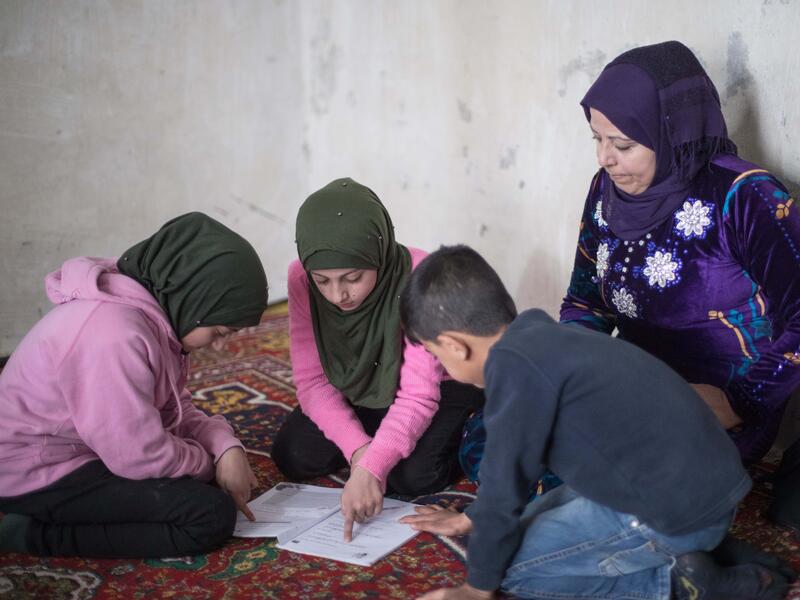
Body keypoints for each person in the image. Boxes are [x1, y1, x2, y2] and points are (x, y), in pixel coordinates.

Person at [398, 244, 793, 600]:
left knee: (511, 570)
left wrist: (476, 588)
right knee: (518, 525)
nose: (441, 363)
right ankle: (718, 551)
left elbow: (504, 486)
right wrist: (472, 518)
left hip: (675, 512)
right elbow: (510, 490)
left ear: (453, 345)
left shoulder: (514, 375)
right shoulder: (541, 337)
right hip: (709, 488)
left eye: (436, 354)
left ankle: (683, 584)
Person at [559, 40, 800, 529]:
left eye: (623, 144)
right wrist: (567, 376)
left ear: (672, 131)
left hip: (721, 401)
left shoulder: (743, 195)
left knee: (627, 487)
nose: (606, 158)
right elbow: (585, 301)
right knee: (516, 439)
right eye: (597, 140)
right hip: (631, 388)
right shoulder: (604, 192)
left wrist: (740, 401)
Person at [0, 212, 268, 558]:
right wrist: (207, 464)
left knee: (198, 482)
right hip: (34, 471)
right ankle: (35, 535)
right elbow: (138, 456)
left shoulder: (154, 318)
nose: (218, 346)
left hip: (80, 450)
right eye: (218, 332)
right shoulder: (114, 335)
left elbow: (175, 407)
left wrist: (226, 447)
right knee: (209, 515)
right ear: (191, 301)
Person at [271, 178, 483, 542]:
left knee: (412, 478)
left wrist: (372, 468)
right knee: (293, 454)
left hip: (440, 385)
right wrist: (361, 453)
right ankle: (382, 440)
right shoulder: (300, 279)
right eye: (323, 281)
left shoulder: (421, 278)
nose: (338, 295)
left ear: (379, 255)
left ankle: (466, 428)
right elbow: (313, 382)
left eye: (353, 277)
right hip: (363, 383)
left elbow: (418, 396)